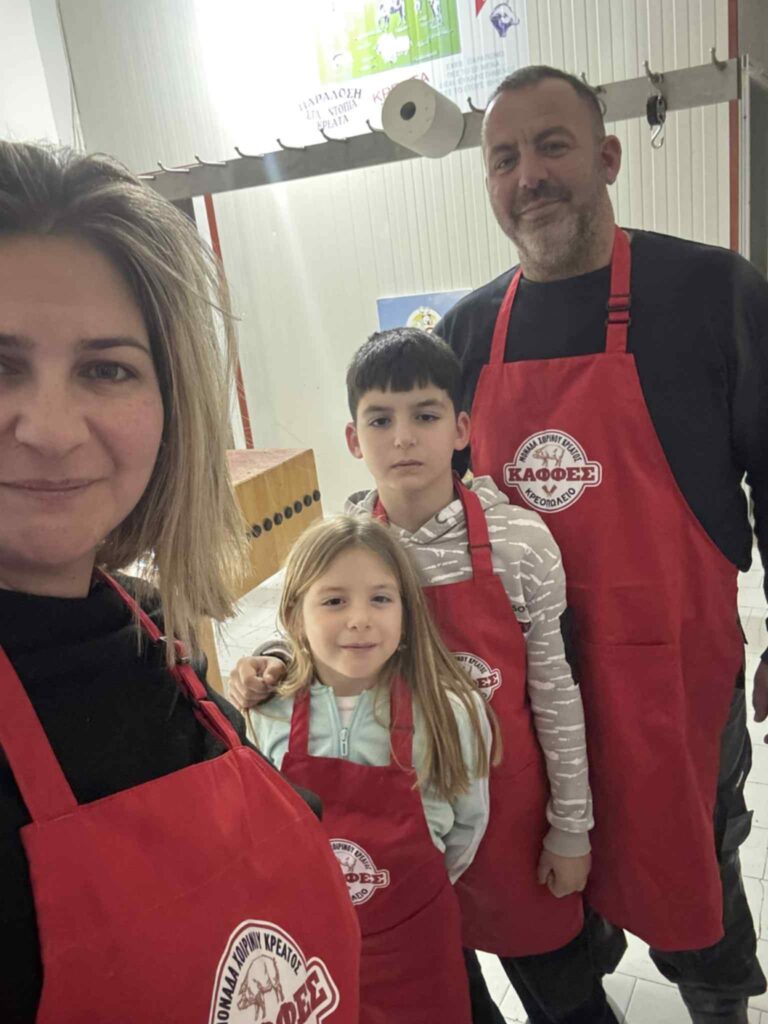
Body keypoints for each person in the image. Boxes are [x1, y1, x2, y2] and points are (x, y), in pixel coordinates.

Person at [433, 64, 768, 1023]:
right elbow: (429, 514)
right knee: (553, 883)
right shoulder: (465, 334)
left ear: (608, 157)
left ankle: (716, 1007)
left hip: (674, 678)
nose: (528, 175)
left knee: (696, 870)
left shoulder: (711, 292)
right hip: (524, 690)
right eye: (504, 159)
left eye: (553, 146)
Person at [0, 141, 360, 1024]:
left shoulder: (151, 628)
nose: (50, 428)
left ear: (171, 406)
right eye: (0, 365)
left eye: (106, 368)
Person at [231, 328, 620, 1023]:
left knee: (565, 999)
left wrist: (572, 827)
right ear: (353, 438)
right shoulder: (348, 539)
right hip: (408, 834)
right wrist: (272, 661)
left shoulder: (520, 543)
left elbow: (557, 693)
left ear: (462, 428)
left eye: (426, 414)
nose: (403, 436)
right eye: (380, 419)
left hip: (513, 823)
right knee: (453, 996)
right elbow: (312, 639)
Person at [245, 513, 492, 1024]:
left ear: (406, 611)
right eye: (334, 601)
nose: (360, 618)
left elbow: (468, 825)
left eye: (380, 598)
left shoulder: (450, 711)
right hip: (310, 953)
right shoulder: (267, 713)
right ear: (295, 616)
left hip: (417, 946)